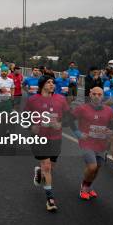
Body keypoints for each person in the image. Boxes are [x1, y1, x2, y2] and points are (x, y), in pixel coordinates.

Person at [25, 76, 71, 212]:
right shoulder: (32, 100)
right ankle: (50, 199)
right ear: (41, 85)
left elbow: (69, 117)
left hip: (55, 138)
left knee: (50, 168)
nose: (52, 84)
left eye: (53, 82)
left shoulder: (61, 99)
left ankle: (39, 172)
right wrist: (31, 126)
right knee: (46, 165)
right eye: (48, 82)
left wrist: (60, 124)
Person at [70, 87, 113, 201]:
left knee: (97, 167)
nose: (97, 96)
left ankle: (89, 186)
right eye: (94, 94)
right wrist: (78, 133)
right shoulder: (82, 108)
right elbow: (70, 119)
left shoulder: (109, 110)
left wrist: (110, 131)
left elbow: (112, 124)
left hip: (101, 143)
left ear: (103, 96)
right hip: (87, 142)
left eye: (99, 94)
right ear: (90, 95)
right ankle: (84, 187)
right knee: (92, 166)